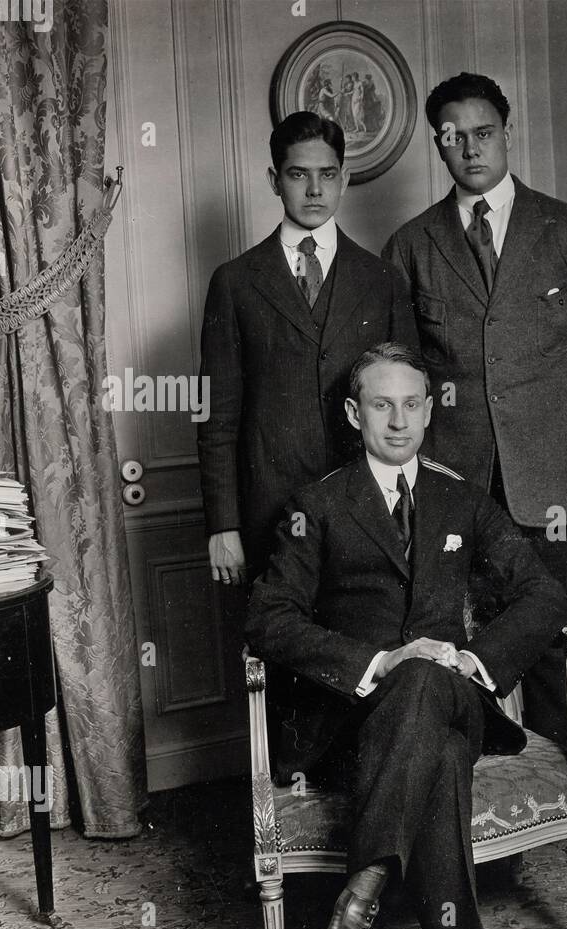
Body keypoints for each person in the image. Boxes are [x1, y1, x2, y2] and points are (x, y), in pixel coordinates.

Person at [245, 342, 567, 929]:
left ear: (429, 410)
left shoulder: (462, 498)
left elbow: (545, 591)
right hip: (352, 720)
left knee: (430, 680)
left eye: (412, 404)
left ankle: (360, 898)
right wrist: (379, 661)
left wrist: (474, 658)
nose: (399, 420)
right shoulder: (318, 505)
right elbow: (268, 618)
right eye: (382, 405)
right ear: (355, 413)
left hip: (455, 693)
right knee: (436, 743)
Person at [383, 72, 567, 745]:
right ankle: (486, 782)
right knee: (460, 634)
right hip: (458, 472)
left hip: (561, 469)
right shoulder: (410, 245)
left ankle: (562, 774)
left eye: (483, 133)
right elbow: (400, 374)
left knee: (553, 628)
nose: (470, 148)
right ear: (438, 145)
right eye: (453, 137)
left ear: (507, 133)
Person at [198, 111, 416, 583]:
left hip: (368, 508)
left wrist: (408, 504)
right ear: (275, 180)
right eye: (299, 175)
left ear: (345, 178)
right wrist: (223, 523)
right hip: (268, 514)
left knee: (363, 652)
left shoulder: (381, 280)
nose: (314, 190)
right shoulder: (235, 283)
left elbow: (408, 405)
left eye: (327, 175)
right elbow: (216, 416)